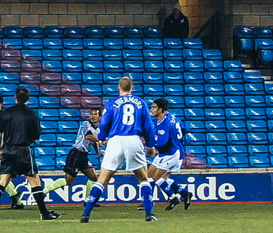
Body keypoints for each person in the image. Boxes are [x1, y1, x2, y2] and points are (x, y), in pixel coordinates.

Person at [81, 76, 157, 223]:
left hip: (115, 141)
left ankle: (86, 214)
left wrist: (102, 136)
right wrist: (151, 145)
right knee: (143, 179)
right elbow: (148, 126)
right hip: (134, 139)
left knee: (102, 180)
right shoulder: (140, 103)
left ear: (118, 88)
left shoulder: (112, 103)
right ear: (132, 88)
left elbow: (104, 123)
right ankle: (148, 214)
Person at [0, 86, 60, 221]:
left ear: (15, 97)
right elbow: (36, 136)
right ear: (28, 98)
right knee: (35, 181)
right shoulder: (32, 114)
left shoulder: (6, 113)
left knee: (3, 181)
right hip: (23, 150)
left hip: (8, 150)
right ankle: (44, 213)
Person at [42, 107, 103, 201]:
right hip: (76, 154)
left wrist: (98, 152)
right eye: (91, 114)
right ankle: (44, 191)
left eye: (95, 114)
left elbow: (94, 142)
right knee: (69, 181)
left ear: (100, 117)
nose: (92, 116)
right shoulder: (85, 124)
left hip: (83, 155)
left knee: (94, 178)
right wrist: (100, 140)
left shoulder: (98, 129)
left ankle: (87, 200)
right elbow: (88, 136)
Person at [148, 98, 193, 211]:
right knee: (151, 174)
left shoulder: (166, 123)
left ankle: (172, 197)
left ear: (161, 109)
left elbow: (162, 142)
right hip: (168, 152)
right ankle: (184, 193)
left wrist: (152, 147)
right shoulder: (171, 119)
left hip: (171, 153)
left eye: (154, 107)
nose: (151, 109)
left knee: (157, 177)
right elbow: (183, 129)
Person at [0, 93, 26, 209]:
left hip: (6, 149)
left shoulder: (4, 117)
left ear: (1, 104)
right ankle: (15, 197)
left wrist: (2, 148)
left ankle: (14, 195)